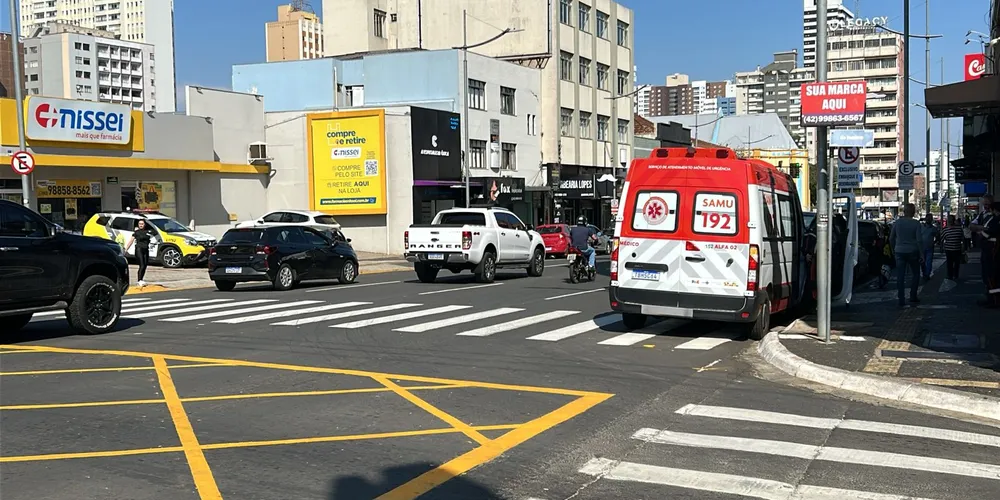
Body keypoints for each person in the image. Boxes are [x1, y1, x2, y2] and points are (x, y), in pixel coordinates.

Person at [889, 203, 922, 306]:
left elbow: (891, 238)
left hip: (899, 251)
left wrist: (894, 249)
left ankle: (901, 298)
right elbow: (919, 240)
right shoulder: (916, 223)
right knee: (915, 274)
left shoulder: (897, 223)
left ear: (904, 211)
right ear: (913, 212)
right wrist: (922, 254)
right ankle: (913, 296)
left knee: (900, 275)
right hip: (913, 251)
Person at [970, 194, 996, 304]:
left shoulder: (995, 216)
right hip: (985, 248)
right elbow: (972, 226)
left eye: (988, 204)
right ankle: (990, 296)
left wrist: (981, 229)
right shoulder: (982, 215)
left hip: (994, 249)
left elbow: (991, 231)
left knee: (992, 274)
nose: (986, 206)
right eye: (984, 204)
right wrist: (982, 228)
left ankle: (993, 298)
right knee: (986, 274)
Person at [125, 219, 155, 287]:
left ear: (145, 224)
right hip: (139, 249)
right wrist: (126, 249)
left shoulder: (148, 231)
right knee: (142, 265)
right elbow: (131, 241)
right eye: (139, 224)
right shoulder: (136, 232)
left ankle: (141, 279)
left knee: (145, 265)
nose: (141, 225)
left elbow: (155, 231)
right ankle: (139, 280)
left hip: (146, 249)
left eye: (142, 224)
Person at [940, 214, 965, 281]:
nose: (950, 221)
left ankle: (953, 275)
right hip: (951, 249)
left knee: (954, 263)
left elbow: (962, 238)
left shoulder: (957, 229)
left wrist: (963, 246)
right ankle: (952, 275)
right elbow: (942, 239)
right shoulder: (947, 229)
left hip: (955, 248)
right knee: (952, 262)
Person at [919, 213, 939, 279]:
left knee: (929, 261)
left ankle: (927, 274)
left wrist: (934, 242)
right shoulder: (921, 226)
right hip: (922, 247)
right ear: (926, 218)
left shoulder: (933, 228)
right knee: (922, 262)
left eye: (930, 218)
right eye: (928, 218)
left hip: (930, 247)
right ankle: (924, 272)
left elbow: (937, 236)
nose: (929, 219)